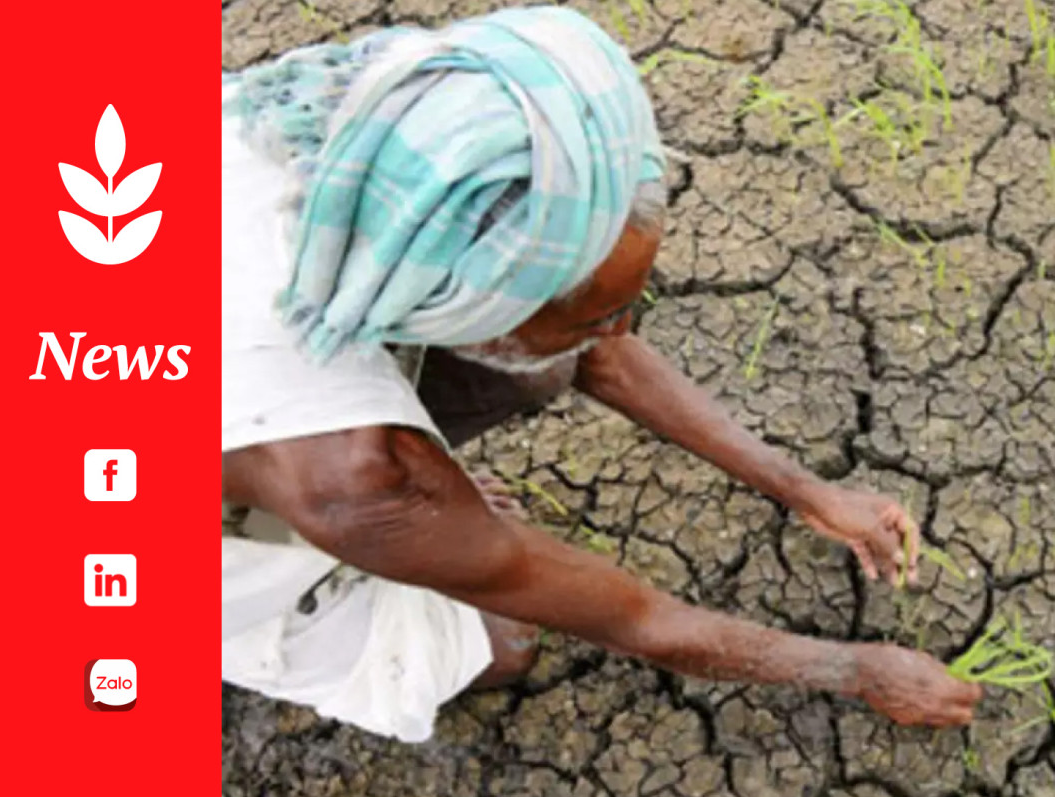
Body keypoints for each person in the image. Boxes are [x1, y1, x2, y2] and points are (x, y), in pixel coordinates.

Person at [220, 6, 980, 743]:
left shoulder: (409, 138)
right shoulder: (352, 464)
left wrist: (808, 491)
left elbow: (597, 356)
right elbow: (636, 622)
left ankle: (388, 524)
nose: (620, 331)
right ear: (477, 298)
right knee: (503, 640)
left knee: (534, 372)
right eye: (595, 314)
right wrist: (857, 671)